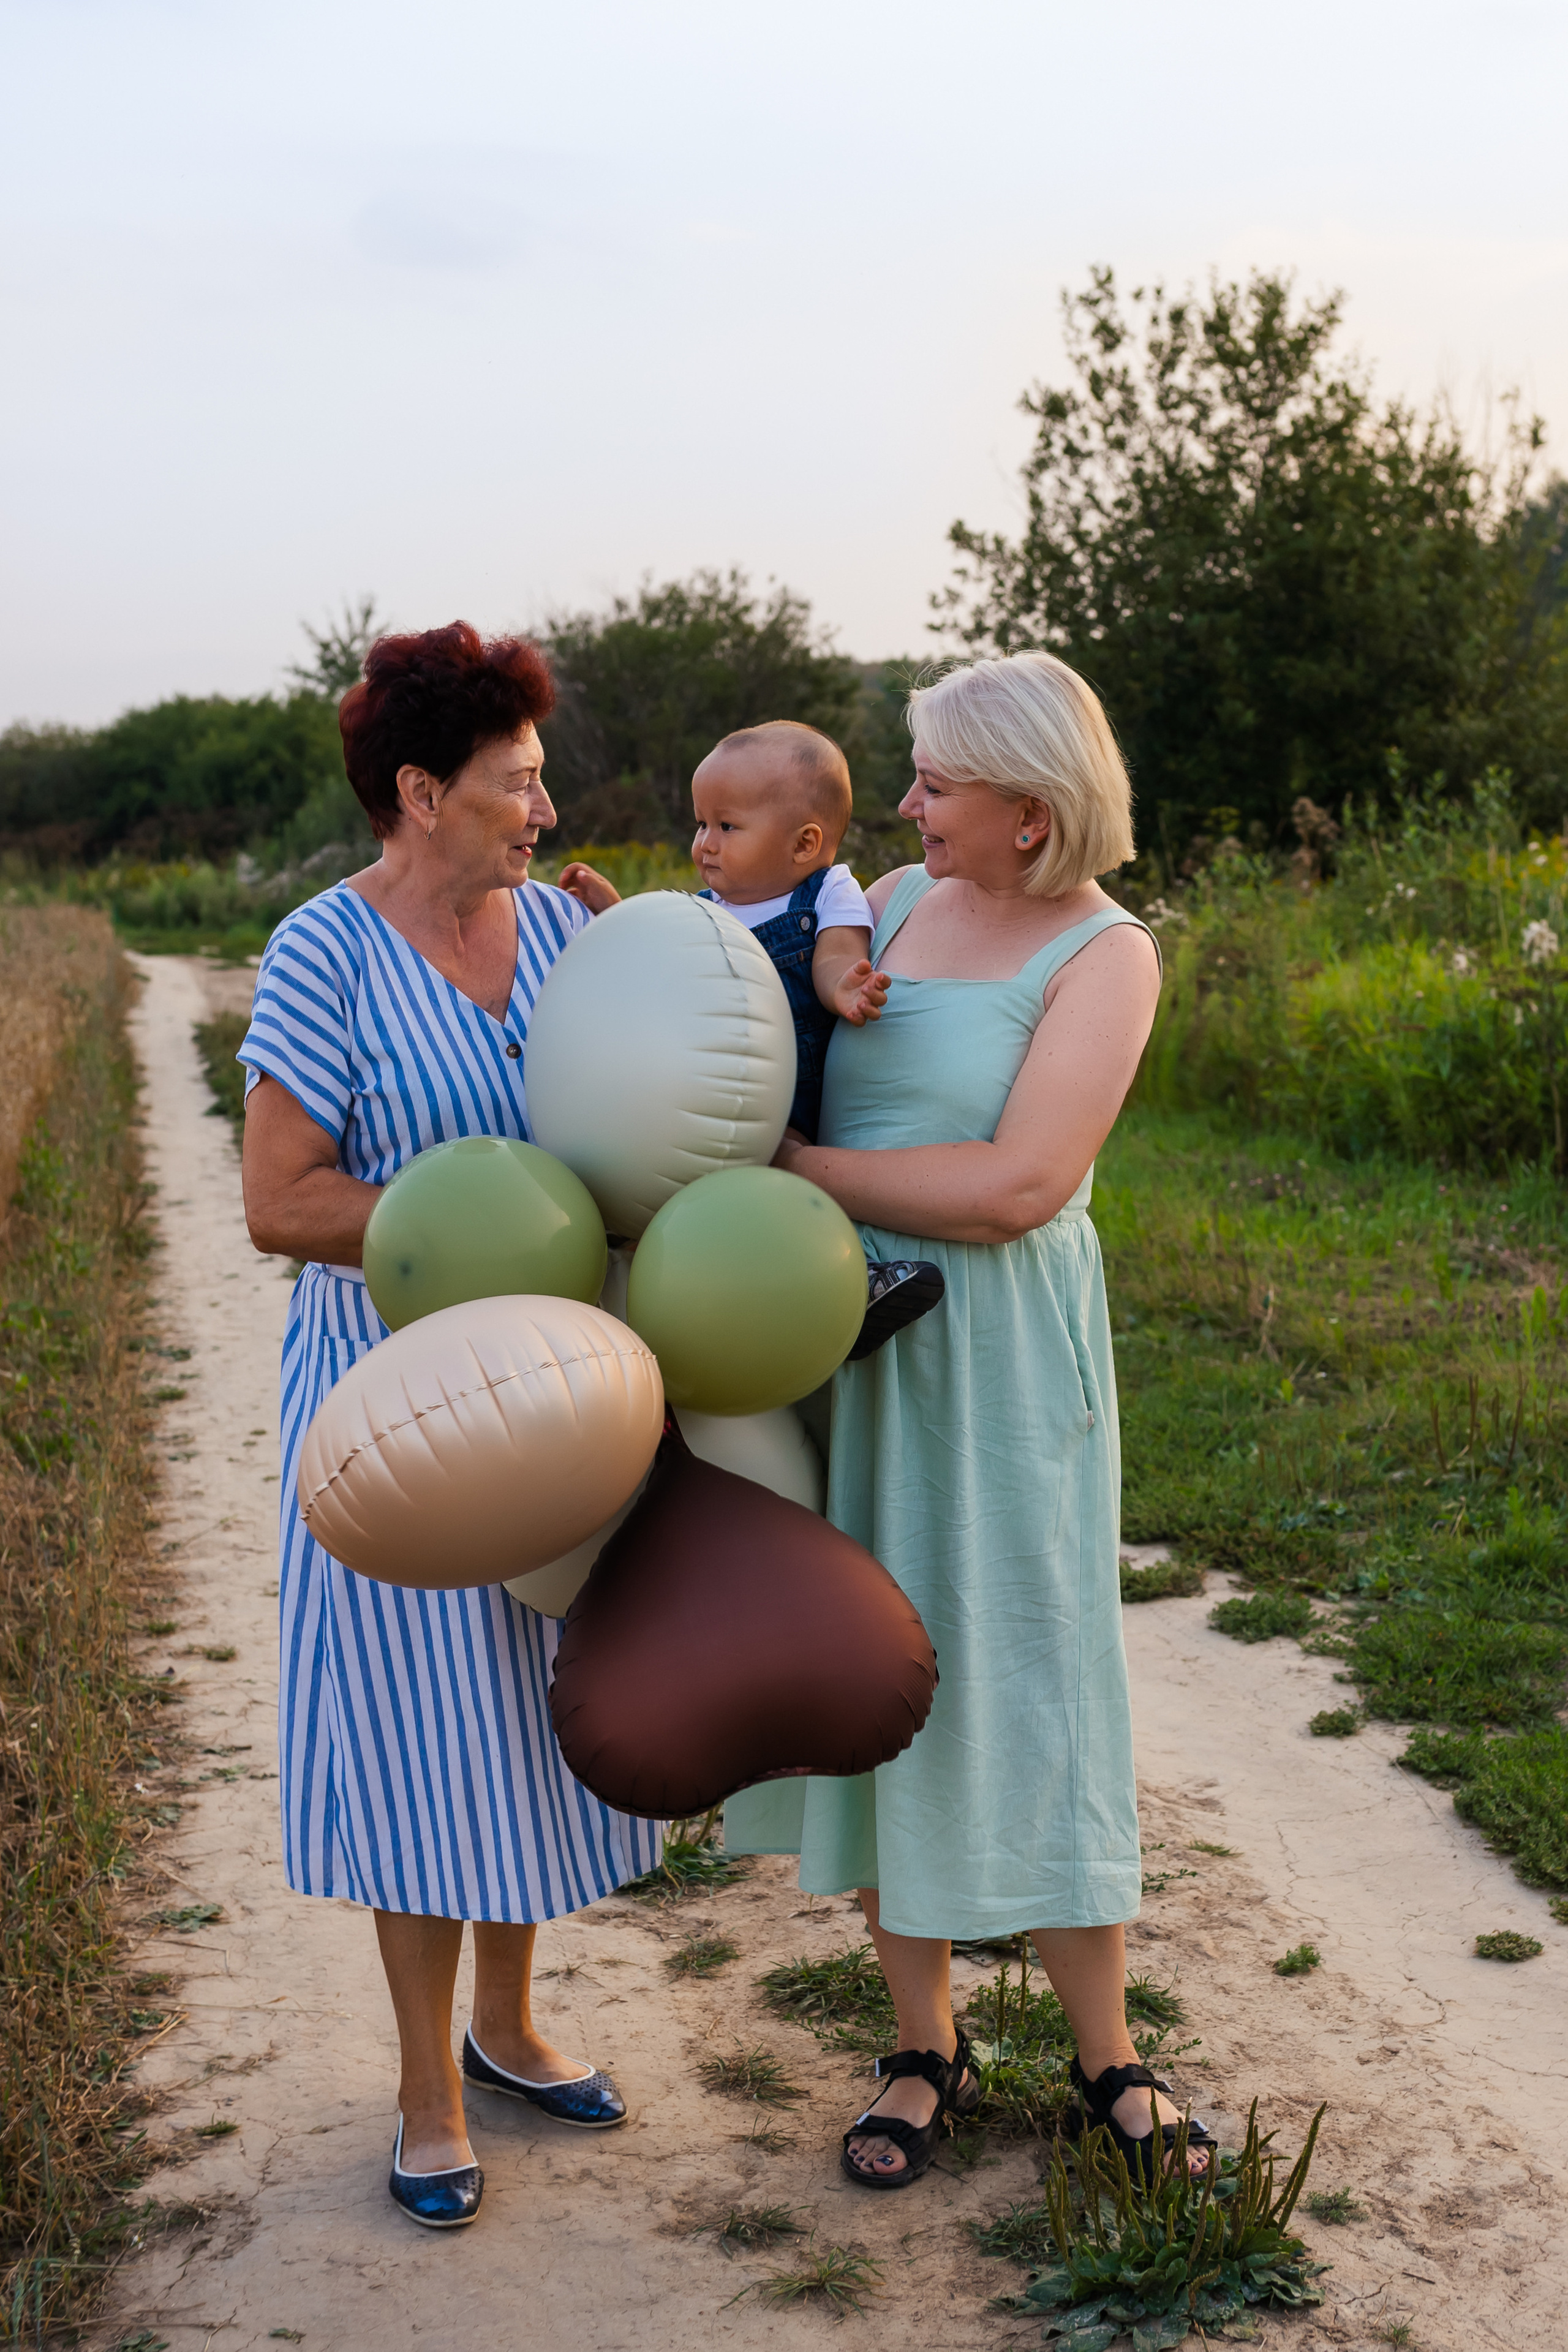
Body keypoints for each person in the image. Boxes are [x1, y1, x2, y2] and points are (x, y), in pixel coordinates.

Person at [724, 651, 1217, 2191]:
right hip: (846, 1336)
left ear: (1029, 803)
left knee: (1031, 1667)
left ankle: (1104, 2053)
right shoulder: (888, 895)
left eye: (936, 777)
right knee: (880, 1667)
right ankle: (921, 2040)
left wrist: (800, 1175)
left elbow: (1019, 1184)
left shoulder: (1103, 951)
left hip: (995, 1355)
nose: (908, 798)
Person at [239, 623, 659, 2233]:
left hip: (557, 1392)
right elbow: (280, 1199)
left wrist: (648, 974)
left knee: (529, 1710)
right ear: (419, 794)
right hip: (392, 1407)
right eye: (514, 786)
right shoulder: (322, 955)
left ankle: (509, 2025)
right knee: (417, 1736)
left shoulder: (560, 932)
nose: (541, 812)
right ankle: (426, 2089)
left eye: (541, 781)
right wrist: (466, 1231)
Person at [562, 720, 943, 1358]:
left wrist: (844, 989)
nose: (704, 845)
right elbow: (658, 952)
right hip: (712, 1084)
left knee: (781, 1170)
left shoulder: (829, 890)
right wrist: (616, 912)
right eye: (700, 825)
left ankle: (847, 1285)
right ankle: (633, 1241)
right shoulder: (703, 908)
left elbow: (833, 955)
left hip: (788, 1085)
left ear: (804, 843)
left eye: (726, 827)